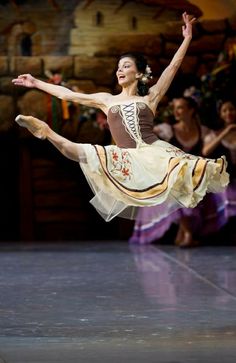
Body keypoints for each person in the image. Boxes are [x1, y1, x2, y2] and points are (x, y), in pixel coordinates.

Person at [12, 13, 229, 222]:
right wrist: (36, 82)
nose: (119, 70)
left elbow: (172, 67)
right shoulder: (106, 99)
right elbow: (67, 94)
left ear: (139, 73)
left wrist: (187, 39)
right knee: (79, 152)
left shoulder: (150, 97)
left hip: (153, 153)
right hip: (124, 156)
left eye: (125, 66)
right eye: (118, 68)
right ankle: (45, 130)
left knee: (194, 169)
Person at [129, 96, 210, 247]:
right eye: (174, 108)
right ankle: (187, 233)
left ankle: (183, 232)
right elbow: (143, 133)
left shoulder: (203, 131)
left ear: (191, 110)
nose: (176, 112)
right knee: (175, 187)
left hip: (194, 176)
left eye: (180, 108)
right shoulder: (168, 130)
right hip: (172, 175)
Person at [200, 99, 236, 237]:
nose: (229, 113)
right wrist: (225, 132)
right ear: (220, 114)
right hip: (225, 179)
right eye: (225, 110)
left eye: (231, 109)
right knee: (227, 195)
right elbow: (206, 151)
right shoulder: (215, 133)